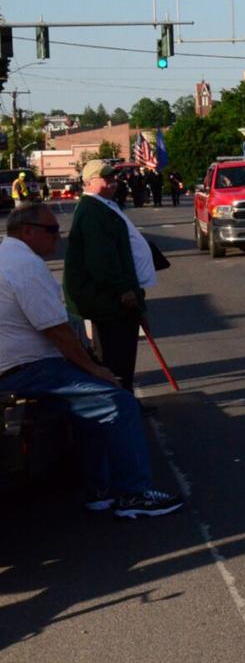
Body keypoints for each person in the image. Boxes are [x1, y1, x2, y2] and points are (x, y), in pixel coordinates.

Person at [0, 204, 181, 518]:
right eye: (52, 230)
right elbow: (58, 331)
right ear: (28, 231)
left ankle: (101, 490)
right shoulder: (25, 266)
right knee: (120, 403)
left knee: (92, 409)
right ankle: (133, 494)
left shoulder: (9, 257)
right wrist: (95, 367)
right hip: (29, 369)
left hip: (19, 366)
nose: (58, 238)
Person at [63, 160, 156, 393]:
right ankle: (120, 401)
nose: (113, 182)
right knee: (116, 354)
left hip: (114, 295)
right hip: (109, 299)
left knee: (122, 353)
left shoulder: (102, 205)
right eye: (106, 178)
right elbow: (100, 258)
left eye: (114, 178)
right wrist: (123, 288)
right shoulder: (92, 210)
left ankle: (124, 397)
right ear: (89, 182)